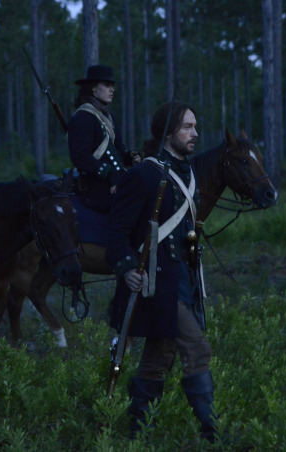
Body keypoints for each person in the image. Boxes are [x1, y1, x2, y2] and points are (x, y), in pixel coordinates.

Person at [106, 101, 219, 442]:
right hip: (156, 285)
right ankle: (211, 432)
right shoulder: (144, 175)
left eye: (195, 127)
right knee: (196, 348)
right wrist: (127, 269)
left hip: (183, 282)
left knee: (159, 358)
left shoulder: (188, 174)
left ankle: (139, 432)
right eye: (187, 127)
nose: (195, 133)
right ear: (168, 132)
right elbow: (117, 234)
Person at [67, 65, 140, 213]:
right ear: (93, 88)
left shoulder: (109, 116)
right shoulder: (82, 118)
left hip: (116, 183)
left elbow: (117, 147)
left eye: (112, 85)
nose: (112, 89)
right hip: (96, 189)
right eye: (107, 85)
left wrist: (129, 157)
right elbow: (80, 157)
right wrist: (109, 173)